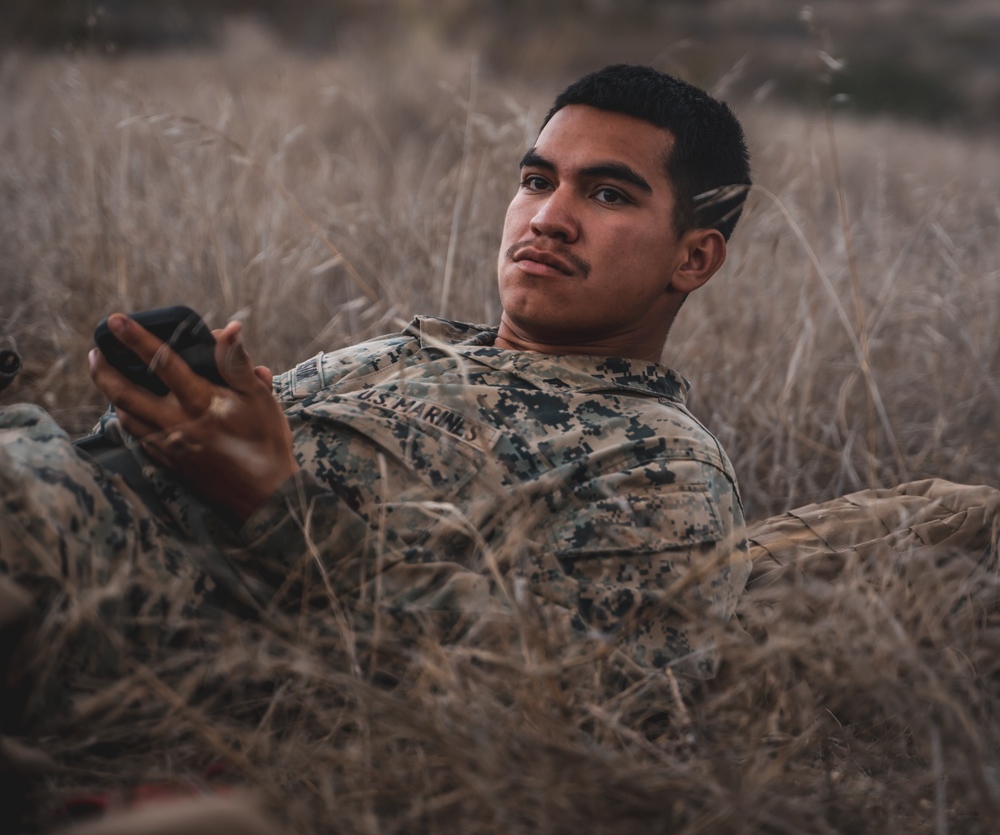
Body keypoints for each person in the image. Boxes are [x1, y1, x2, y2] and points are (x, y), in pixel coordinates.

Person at [0, 64, 754, 714]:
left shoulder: (661, 463)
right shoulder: (397, 351)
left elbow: (588, 704)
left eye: (609, 196)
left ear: (692, 258)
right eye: (535, 181)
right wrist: (175, 412)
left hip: (115, 600)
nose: (548, 219)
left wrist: (272, 502)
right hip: (50, 482)